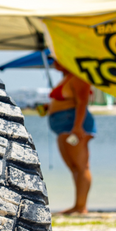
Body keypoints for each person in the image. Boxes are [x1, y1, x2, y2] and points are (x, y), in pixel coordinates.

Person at [46, 61, 95, 214]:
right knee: (74, 166)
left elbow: (82, 103)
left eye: (58, 58)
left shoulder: (79, 77)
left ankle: (81, 207)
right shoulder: (68, 78)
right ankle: (78, 205)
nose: (54, 62)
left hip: (73, 126)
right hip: (65, 126)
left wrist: (78, 127)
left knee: (81, 166)